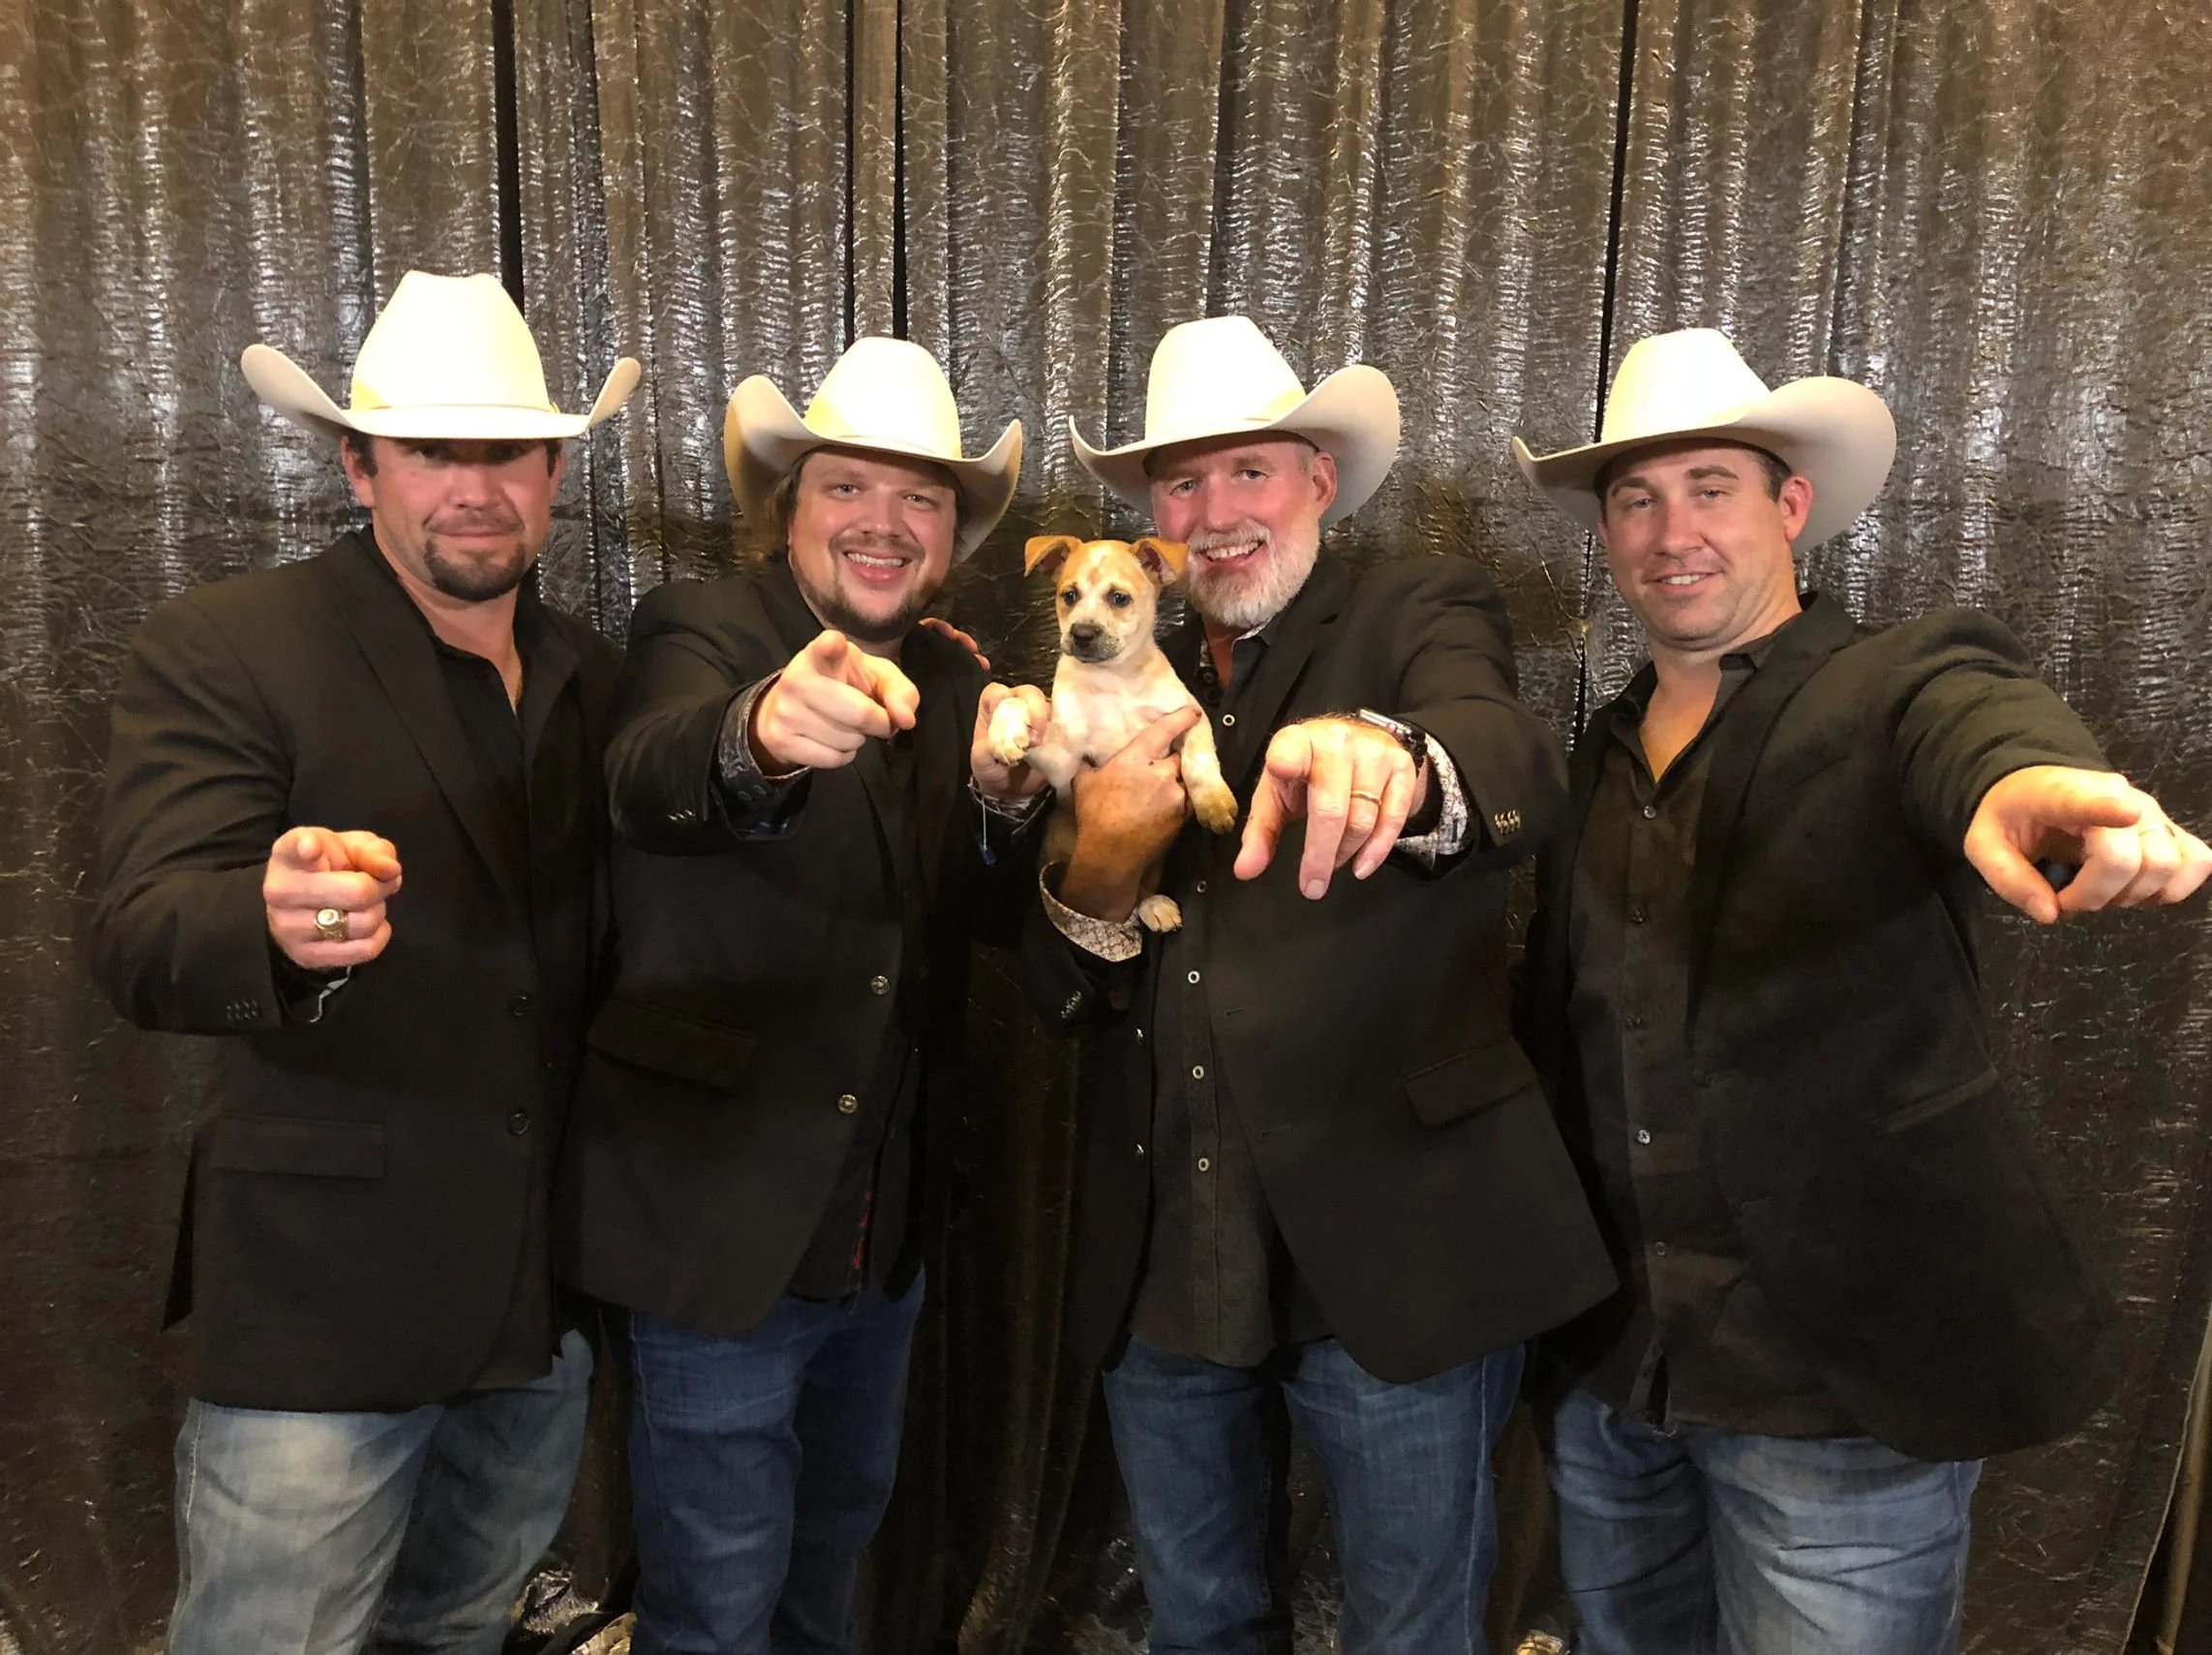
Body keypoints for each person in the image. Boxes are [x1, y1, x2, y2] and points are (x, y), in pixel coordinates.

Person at [1510, 326, 2212, 1655]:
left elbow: (1980, 724)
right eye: (1637, 499)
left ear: (1791, 507)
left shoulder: (1895, 683)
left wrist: (2036, 789)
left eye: (1710, 487)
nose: (1673, 532)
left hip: (1838, 1397)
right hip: (1616, 1377)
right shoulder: (1592, 756)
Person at [1012, 316, 1616, 1655]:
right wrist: (1098, 867)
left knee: (1415, 1629)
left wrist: (1393, 755)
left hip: (1396, 1251)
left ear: (1320, 482)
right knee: (1199, 1621)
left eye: (1251, 473)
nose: (1217, 513)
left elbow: (1502, 758)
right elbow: (1047, 976)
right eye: (1183, 482)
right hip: (1169, 1249)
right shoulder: (1111, 679)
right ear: (1148, 531)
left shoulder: (1419, 608)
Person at [89, 270, 638, 1655]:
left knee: (455, 1633)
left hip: (537, 1310)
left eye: (502, 451)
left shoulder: (593, 673)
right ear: (358, 464)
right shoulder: (229, 646)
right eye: (431, 451)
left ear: (554, 468)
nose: (472, 486)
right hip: (320, 1313)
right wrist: (263, 923)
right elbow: (142, 930)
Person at [555, 337, 1037, 1655]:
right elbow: (653, 771)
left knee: (830, 1576)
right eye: (848, 488)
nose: (883, 521)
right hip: (721, 1233)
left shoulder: (960, 680)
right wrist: (760, 733)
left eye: (921, 497)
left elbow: (980, 921)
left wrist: (1006, 814)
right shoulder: (701, 625)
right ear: (789, 505)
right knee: (713, 1605)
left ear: (951, 533)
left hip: (881, 1249)